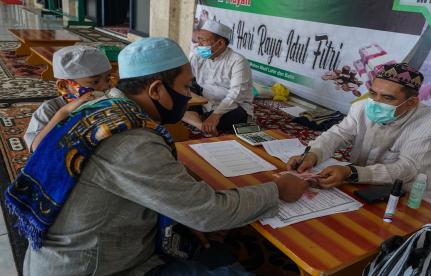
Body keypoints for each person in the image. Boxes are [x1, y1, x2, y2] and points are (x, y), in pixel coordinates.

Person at [8, 37, 310, 276]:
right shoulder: (130, 141)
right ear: (156, 90)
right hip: (96, 268)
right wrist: (278, 189)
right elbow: (208, 213)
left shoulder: (101, 108)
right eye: (184, 87)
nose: (189, 95)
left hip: (79, 252)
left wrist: (181, 212)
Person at [287, 63, 431, 206]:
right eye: (373, 93)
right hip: (360, 182)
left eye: (387, 97)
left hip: (408, 195)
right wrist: (313, 154)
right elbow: (338, 134)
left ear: (412, 102)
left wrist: (351, 173)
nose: (375, 102)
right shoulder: (362, 107)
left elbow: (407, 169)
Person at [23, 45, 112, 152]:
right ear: (64, 85)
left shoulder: (108, 101)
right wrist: (64, 111)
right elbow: (36, 148)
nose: (105, 87)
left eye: (107, 79)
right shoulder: (49, 109)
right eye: (95, 82)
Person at [184, 20, 254, 135]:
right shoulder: (197, 56)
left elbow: (236, 94)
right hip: (205, 100)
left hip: (232, 106)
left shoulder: (238, 61)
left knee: (237, 115)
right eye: (198, 39)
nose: (198, 44)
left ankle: (195, 120)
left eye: (203, 40)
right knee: (177, 95)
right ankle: (200, 124)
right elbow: (186, 80)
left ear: (220, 43)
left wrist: (215, 115)